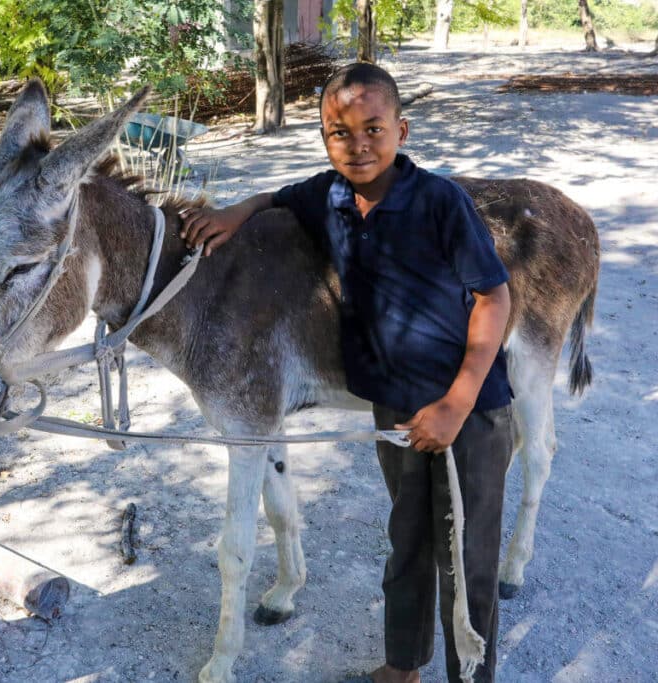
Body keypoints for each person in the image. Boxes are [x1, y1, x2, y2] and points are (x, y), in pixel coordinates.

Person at [180, 62, 514, 683]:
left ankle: (471, 675)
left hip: (469, 411)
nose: (358, 145)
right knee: (407, 540)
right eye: (339, 132)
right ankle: (402, 666)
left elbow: (496, 299)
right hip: (394, 408)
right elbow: (277, 197)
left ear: (402, 130)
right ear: (324, 137)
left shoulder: (441, 202)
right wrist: (234, 213)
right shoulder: (329, 194)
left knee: (465, 559)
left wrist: (457, 403)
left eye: (373, 129)